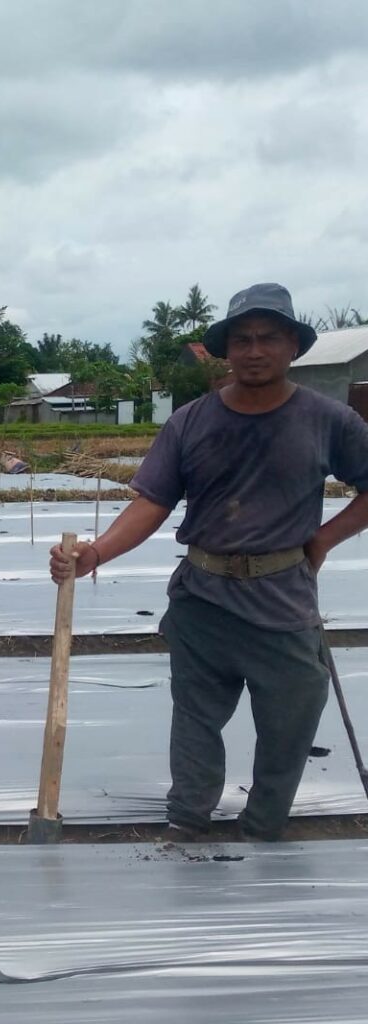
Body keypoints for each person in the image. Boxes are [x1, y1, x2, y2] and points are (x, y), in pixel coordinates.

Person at [50, 282, 368, 842]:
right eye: (242, 339)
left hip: (283, 601)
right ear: (225, 350)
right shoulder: (191, 422)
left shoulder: (329, 420)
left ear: (293, 345)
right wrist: (94, 553)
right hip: (203, 597)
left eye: (269, 338)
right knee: (196, 719)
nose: (254, 350)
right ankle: (188, 822)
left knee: (291, 720)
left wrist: (323, 540)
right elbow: (152, 502)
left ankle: (263, 828)